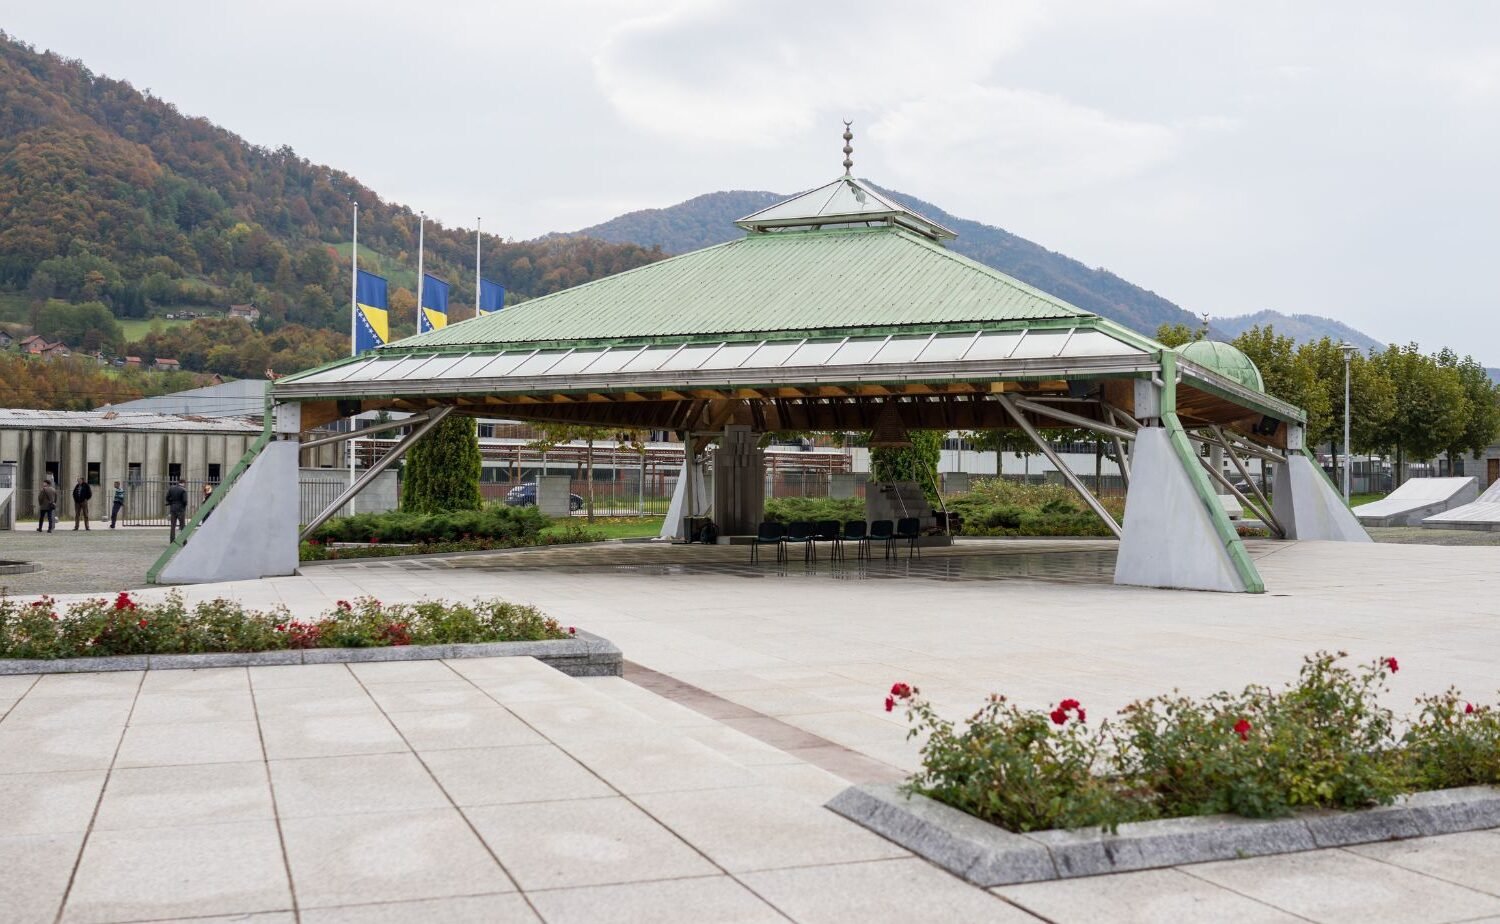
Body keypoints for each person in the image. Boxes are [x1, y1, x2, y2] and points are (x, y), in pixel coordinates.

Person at [165, 478, 188, 543]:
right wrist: (183, 506)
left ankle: (172, 541)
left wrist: (171, 502)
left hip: (173, 508)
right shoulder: (183, 490)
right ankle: (184, 541)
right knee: (182, 525)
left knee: (173, 526)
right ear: (183, 483)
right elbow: (185, 501)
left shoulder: (171, 488)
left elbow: (167, 498)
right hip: (180, 509)